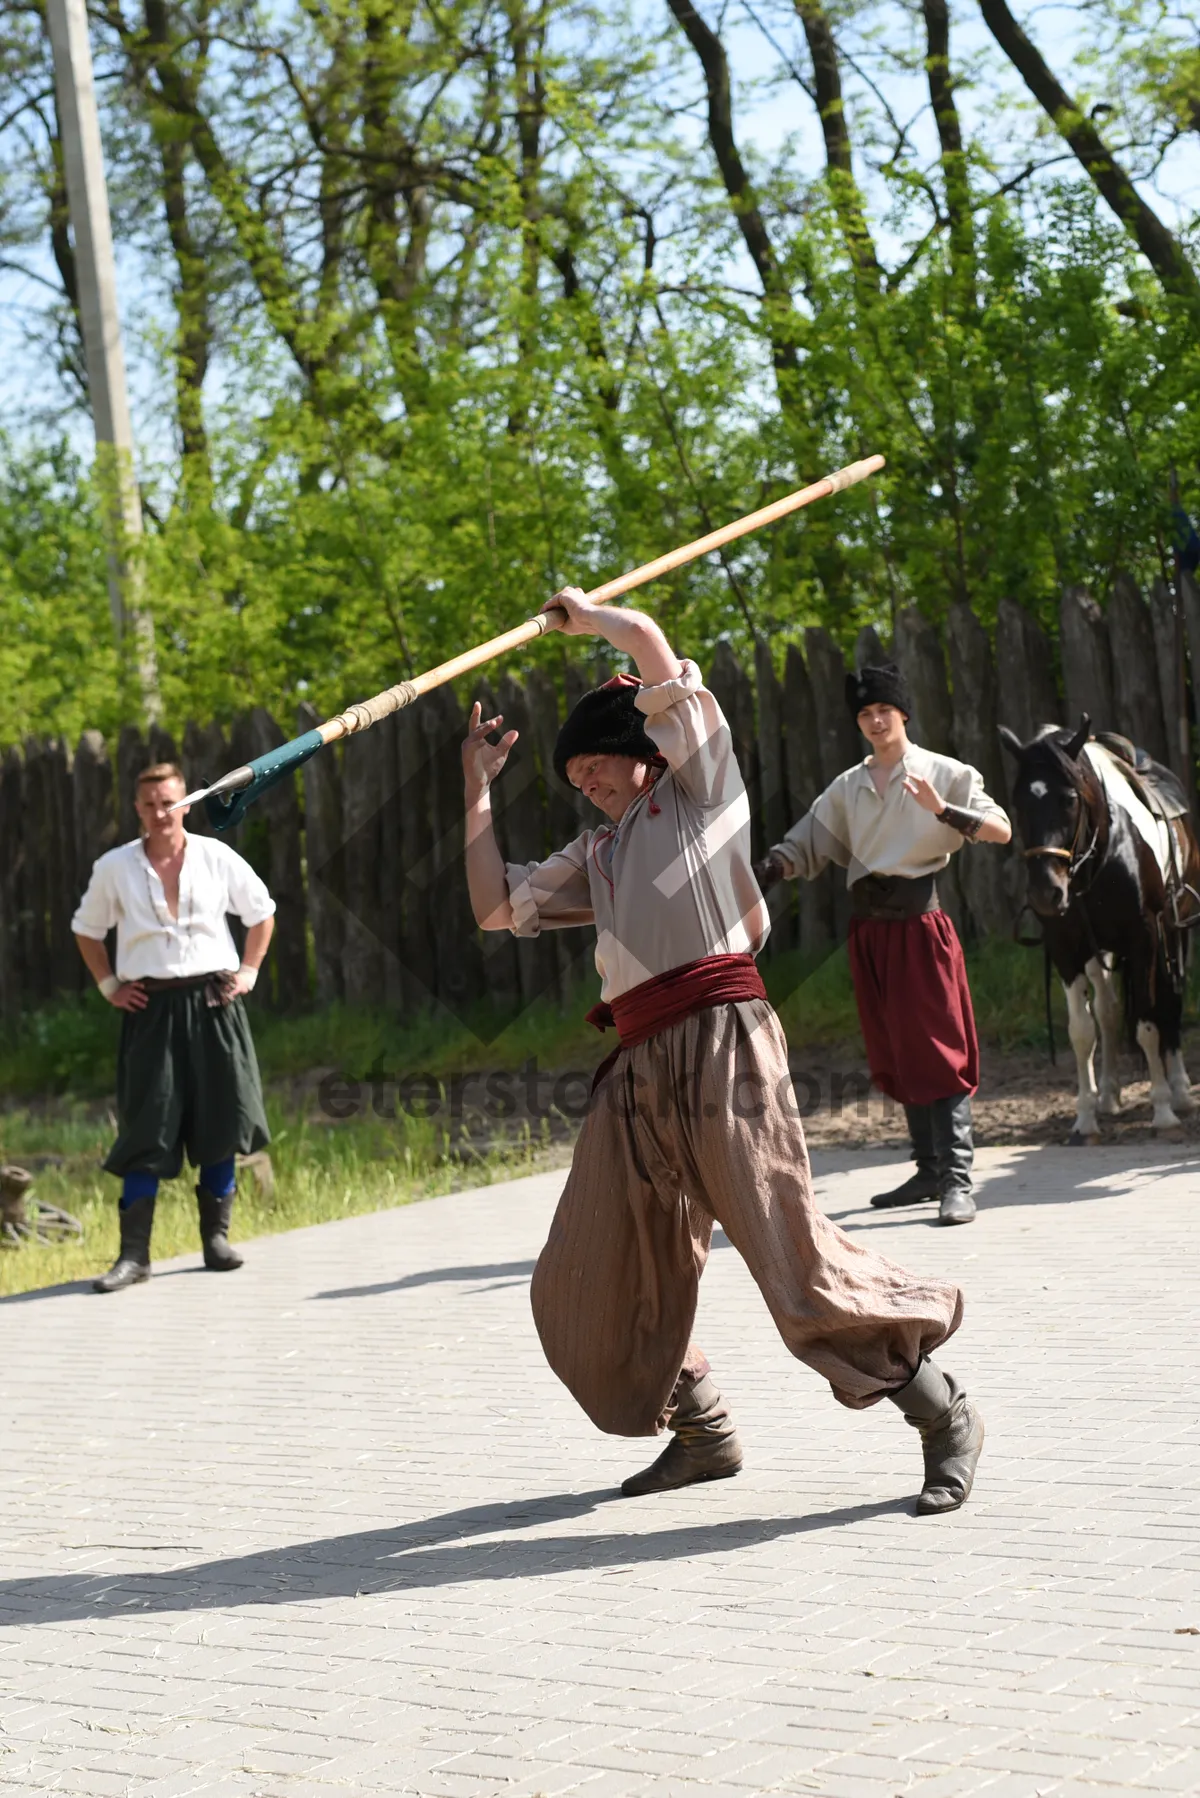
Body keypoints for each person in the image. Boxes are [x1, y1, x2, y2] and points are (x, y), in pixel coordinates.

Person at [461, 595, 984, 1515]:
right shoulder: (601, 852)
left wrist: (598, 620)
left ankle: (941, 1411)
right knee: (589, 1266)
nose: (589, 785)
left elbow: (659, 663)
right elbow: (494, 908)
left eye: (598, 767)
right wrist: (477, 787)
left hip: (724, 1042)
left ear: (646, 751)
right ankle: (701, 1428)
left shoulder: (702, 791)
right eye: (576, 778)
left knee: (789, 1257)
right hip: (636, 1067)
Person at [755, 662, 1012, 1226]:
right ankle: (926, 1169)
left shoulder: (943, 773)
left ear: (903, 715)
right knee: (896, 1048)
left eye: (884, 712)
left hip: (921, 927)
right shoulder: (848, 787)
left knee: (939, 1048)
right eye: (866, 714)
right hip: (870, 932)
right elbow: (809, 841)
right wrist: (771, 866)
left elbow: (1001, 829)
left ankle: (957, 1180)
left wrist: (942, 811)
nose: (875, 721)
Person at [72, 763, 276, 1292]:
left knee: (221, 1119)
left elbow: (262, 913)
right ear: (137, 809)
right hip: (150, 1010)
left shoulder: (216, 856)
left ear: (185, 802)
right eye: (149, 805)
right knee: (147, 1126)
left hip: (214, 1003)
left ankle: (216, 1241)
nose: (160, 813)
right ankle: (134, 1256)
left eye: (169, 802)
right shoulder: (115, 867)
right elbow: (86, 931)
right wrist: (109, 985)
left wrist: (249, 972)